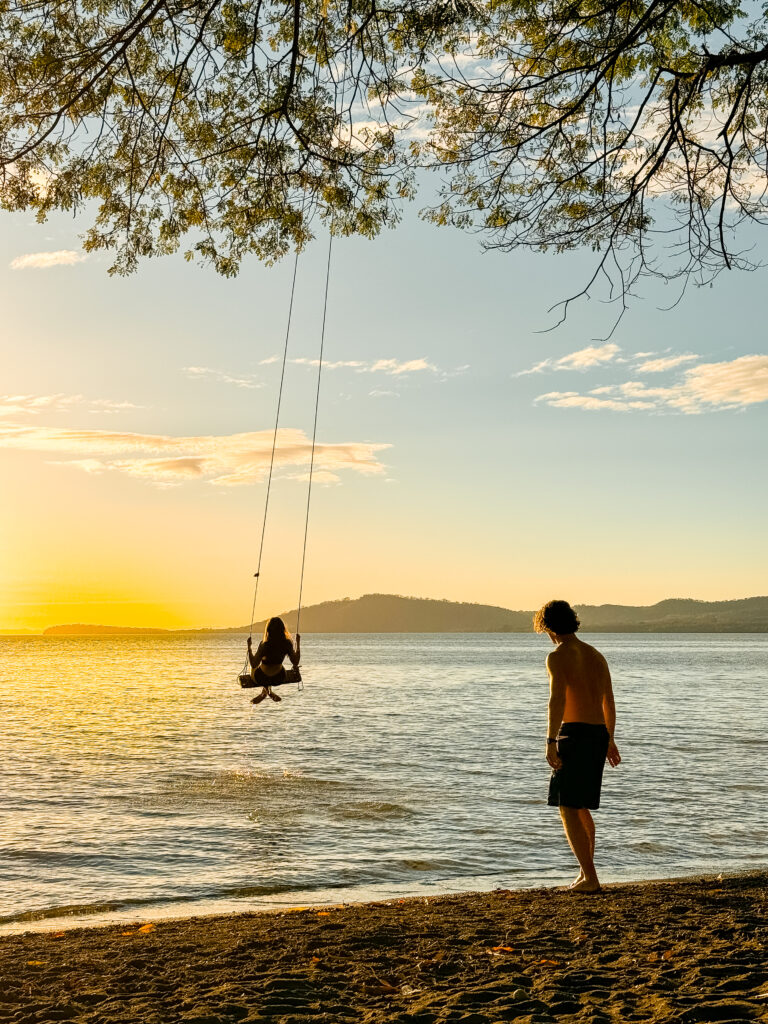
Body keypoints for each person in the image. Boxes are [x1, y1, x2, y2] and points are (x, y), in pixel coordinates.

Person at [534, 599, 621, 893]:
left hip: (574, 734)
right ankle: (587, 875)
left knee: (567, 807)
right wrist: (609, 738)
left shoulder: (557, 656)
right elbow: (608, 701)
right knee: (580, 805)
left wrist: (550, 741)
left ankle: (590, 877)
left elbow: (556, 700)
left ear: (547, 627)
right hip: (597, 734)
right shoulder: (596, 655)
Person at [246, 617, 301, 706]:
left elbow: (253, 664)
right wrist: (298, 643)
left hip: (260, 679)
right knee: (277, 667)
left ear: (268, 630)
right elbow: (295, 662)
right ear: (283, 629)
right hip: (278, 678)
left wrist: (249, 648)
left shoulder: (264, 645)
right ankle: (268, 691)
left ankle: (265, 691)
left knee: (256, 668)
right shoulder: (287, 643)